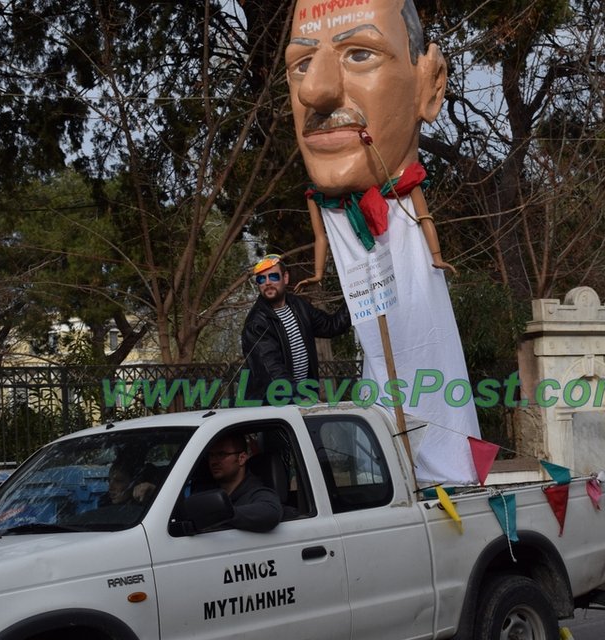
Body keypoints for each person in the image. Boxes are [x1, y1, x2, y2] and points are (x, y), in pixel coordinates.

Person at [285, 0, 481, 484]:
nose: (316, 90)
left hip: (411, 271)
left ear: (429, 87)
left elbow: (424, 218)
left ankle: (441, 459)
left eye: (359, 54)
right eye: (302, 64)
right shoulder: (330, 210)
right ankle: (396, 464)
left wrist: (434, 259)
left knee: (419, 357)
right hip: (368, 277)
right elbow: (318, 237)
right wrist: (317, 270)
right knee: (382, 364)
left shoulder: (406, 192)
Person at [240, 254, 351, 405]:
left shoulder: (299, 306)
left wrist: (356, 296)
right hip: (272, 407)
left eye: (273, 277)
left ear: (285, 278)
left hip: (302, 400)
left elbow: (332, 326)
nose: (267, 283)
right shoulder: (256, 324)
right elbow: (274, 373)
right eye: (261, 279)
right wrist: (302, 396)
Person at [206, 433, 282, 533]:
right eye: (211, 455)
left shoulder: (256, 493)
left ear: (242, 458)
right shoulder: (207, 492)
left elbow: (271, 512)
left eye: (221, 454)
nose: (214, 461)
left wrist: (220, 515)